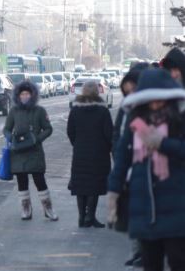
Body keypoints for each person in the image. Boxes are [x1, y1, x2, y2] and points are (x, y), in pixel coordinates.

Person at [108, 69, 185, 271]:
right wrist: (113, 194)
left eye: (160, 99)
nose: (156, 104)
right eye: (151, 100)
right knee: (151, 264)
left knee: (178, 260)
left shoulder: (180, 122)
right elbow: (122, 161)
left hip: (177, 206)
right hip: (144, 207)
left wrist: (163, 143)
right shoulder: (136, 126)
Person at [3, 80, 57, 221]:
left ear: (32, 95)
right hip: (18, 152)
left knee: (39, 180)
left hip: (35, 151)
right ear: (18, 96)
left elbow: (48, 128)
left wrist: (37, 139)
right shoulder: (14, 111)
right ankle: (26, 209)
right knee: (22, 181)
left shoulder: (39, 111)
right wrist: (10, 138)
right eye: (22, 94)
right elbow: (7, 129)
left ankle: (48, 208)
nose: (25, 96)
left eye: (27, 94)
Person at [112, 63, 148, 267]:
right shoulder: (125, 107)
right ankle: (136, 251)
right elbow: (118, 133)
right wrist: (118, 154)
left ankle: (146, 252)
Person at [67, 80, 113, 228]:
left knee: (81, 185)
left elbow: (70, 132)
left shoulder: (75, 110)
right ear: (97, 92)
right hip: (99, 154)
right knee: (95, 185)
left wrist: (78, 144)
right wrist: (109, 148)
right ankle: (90, 217)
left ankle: (82, 217)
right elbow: (109, 133)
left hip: (80, 153)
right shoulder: (103, 111)